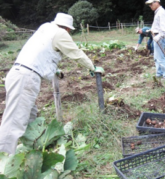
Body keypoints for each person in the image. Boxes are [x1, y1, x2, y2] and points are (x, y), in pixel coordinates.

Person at [0, 12, 99, 154]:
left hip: (17, 73)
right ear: (67, 28)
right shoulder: (60, 33)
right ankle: (3, 160)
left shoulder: (45, 28)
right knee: (14, 122)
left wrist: (54, 70)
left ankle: (27, 153)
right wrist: (92, 67)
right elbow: (75, 53)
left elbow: (42, 53)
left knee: (30, 117)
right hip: (26, 77)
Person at [145, 0, 165, 79]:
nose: (150, 6)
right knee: (156, 58)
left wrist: (158, 37)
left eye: (151, 4)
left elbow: (164, 29)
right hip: (155, 36)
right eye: (149, 4)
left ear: (156, 2)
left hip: (159, 38)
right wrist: (151, 30)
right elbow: (157, 26)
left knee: (160, 58)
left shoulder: (162, 13)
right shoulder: (157, 12)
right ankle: (159, 73)